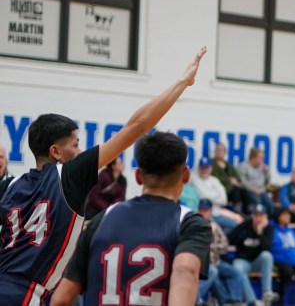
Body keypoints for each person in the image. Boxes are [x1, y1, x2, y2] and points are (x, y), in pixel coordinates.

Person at [0, 47, 207, 306]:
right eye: (75, 145)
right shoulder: (70, 174)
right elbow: (136, 127)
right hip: (26, 295)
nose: (80, 150)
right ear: (56, 152)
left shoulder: (10, 185)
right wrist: (183, 82)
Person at [51, 131, 212, 306]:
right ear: (186, 175)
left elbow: (61, 299)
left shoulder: (103, 218)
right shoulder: (190, 223)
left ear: (137, 176)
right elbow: (185, 271)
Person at [228, 204, 279, 306]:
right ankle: (252, 301)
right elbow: (230, 238)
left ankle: (267, 292)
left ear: (265, 217)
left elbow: (267, 247)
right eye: (256, 215)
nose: (258, 218)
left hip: (257, 260)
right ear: (252, 216)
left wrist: (260, 231)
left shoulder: (269, 228)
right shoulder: (245, 225)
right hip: (243, 260)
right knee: (237, 268)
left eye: (261, 215)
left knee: (267, 256)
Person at [196, 199, 245, 306]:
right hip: (200, 263)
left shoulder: (215, 225)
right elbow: (197, 246)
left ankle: (235, 300)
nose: (204, 213)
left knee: (235, 273)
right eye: (202, 210)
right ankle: (222, 301)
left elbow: (225, 246)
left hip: (216, 261)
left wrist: (212, 246)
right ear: (198, 210)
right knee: (214, 274)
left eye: (206, 210)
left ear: (210, 212)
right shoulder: (193, 224)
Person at [192, 157, 243, 234]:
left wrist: (208, 196)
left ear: (211, 168)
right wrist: (215, 196)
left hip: (217, 212)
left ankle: (219, 238)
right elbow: (203, 196)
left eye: (206, 167)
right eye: (202, 167)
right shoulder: (194, 178)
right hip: (203, 212)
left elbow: (224, 200)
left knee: (237, 225)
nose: (204, 170)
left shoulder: (214, 180)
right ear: (198, 168)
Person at [211, 142, 252, 214]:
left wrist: (235, 181)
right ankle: (237, 211)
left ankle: (250, 211)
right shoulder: (212, 163)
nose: (219, 152)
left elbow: (237, 176)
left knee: (244, 190)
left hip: (232, 187)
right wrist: (229, 180)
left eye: (221, 150)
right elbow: (214, 177)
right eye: (217, 150)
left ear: (225, 152)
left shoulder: (228, 164)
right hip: (222, 189)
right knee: (235, 191)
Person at [84, 156, 127, 220]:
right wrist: (106, 208)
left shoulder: (123, 180)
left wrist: (112, 207)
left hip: (111, 209)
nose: (122, 164)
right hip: (97, 208)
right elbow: (94, 195)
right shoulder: (103, 176)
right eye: (120, 163)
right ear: (113, 166)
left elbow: (121, 197)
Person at [237, 147, 274, 216]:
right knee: (258, 204)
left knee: (270, 205)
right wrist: (253, 190)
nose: (262, 161)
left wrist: (267, 173)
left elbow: (267, 181)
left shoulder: (262, 167)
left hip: (261, 191)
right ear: (253, 158)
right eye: (260, 158)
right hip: (249, 191)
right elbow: (243, 182)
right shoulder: (244, 166)